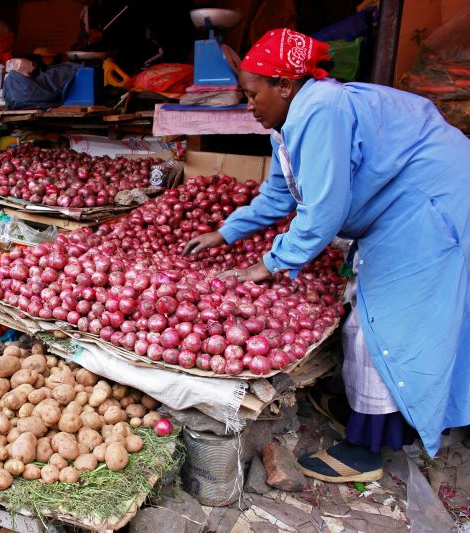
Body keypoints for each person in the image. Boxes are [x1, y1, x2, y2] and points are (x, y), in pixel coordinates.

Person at [183, 28, 470, 483]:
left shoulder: (321, 108)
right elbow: (280, 196)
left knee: (382, 317)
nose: (249, 106)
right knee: (373, 310)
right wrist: (225, 233)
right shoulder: (288, 125)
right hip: (405, 203)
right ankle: (376, 415)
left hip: (429, 200)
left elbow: (324, 212)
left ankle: (367, 449)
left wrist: (269, 264)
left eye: (253, 94)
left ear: (285, 86)